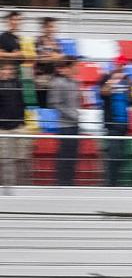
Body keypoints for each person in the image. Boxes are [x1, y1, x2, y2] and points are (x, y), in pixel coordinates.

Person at [48, 58, 81, 186]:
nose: (77, 68)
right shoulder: (58, 83)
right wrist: (72, 115)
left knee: (72, 156)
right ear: (68, 67)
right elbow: (54, 103)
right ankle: (62, 183)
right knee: (64, 156)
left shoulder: (75, 83)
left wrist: (76, 115)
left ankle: (69, 182)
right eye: (75, 66)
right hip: (65, 126)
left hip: (75, 124)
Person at [0, 60, 23, 186]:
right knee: (4, 160)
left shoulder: (17, 83)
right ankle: (4, 187)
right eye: (4, 69)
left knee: (19, 158)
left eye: (9, 70)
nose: (7, 72)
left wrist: (21, 120)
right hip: (2, 129)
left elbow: (21, 103)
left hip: (17, 126)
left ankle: (18, 186)